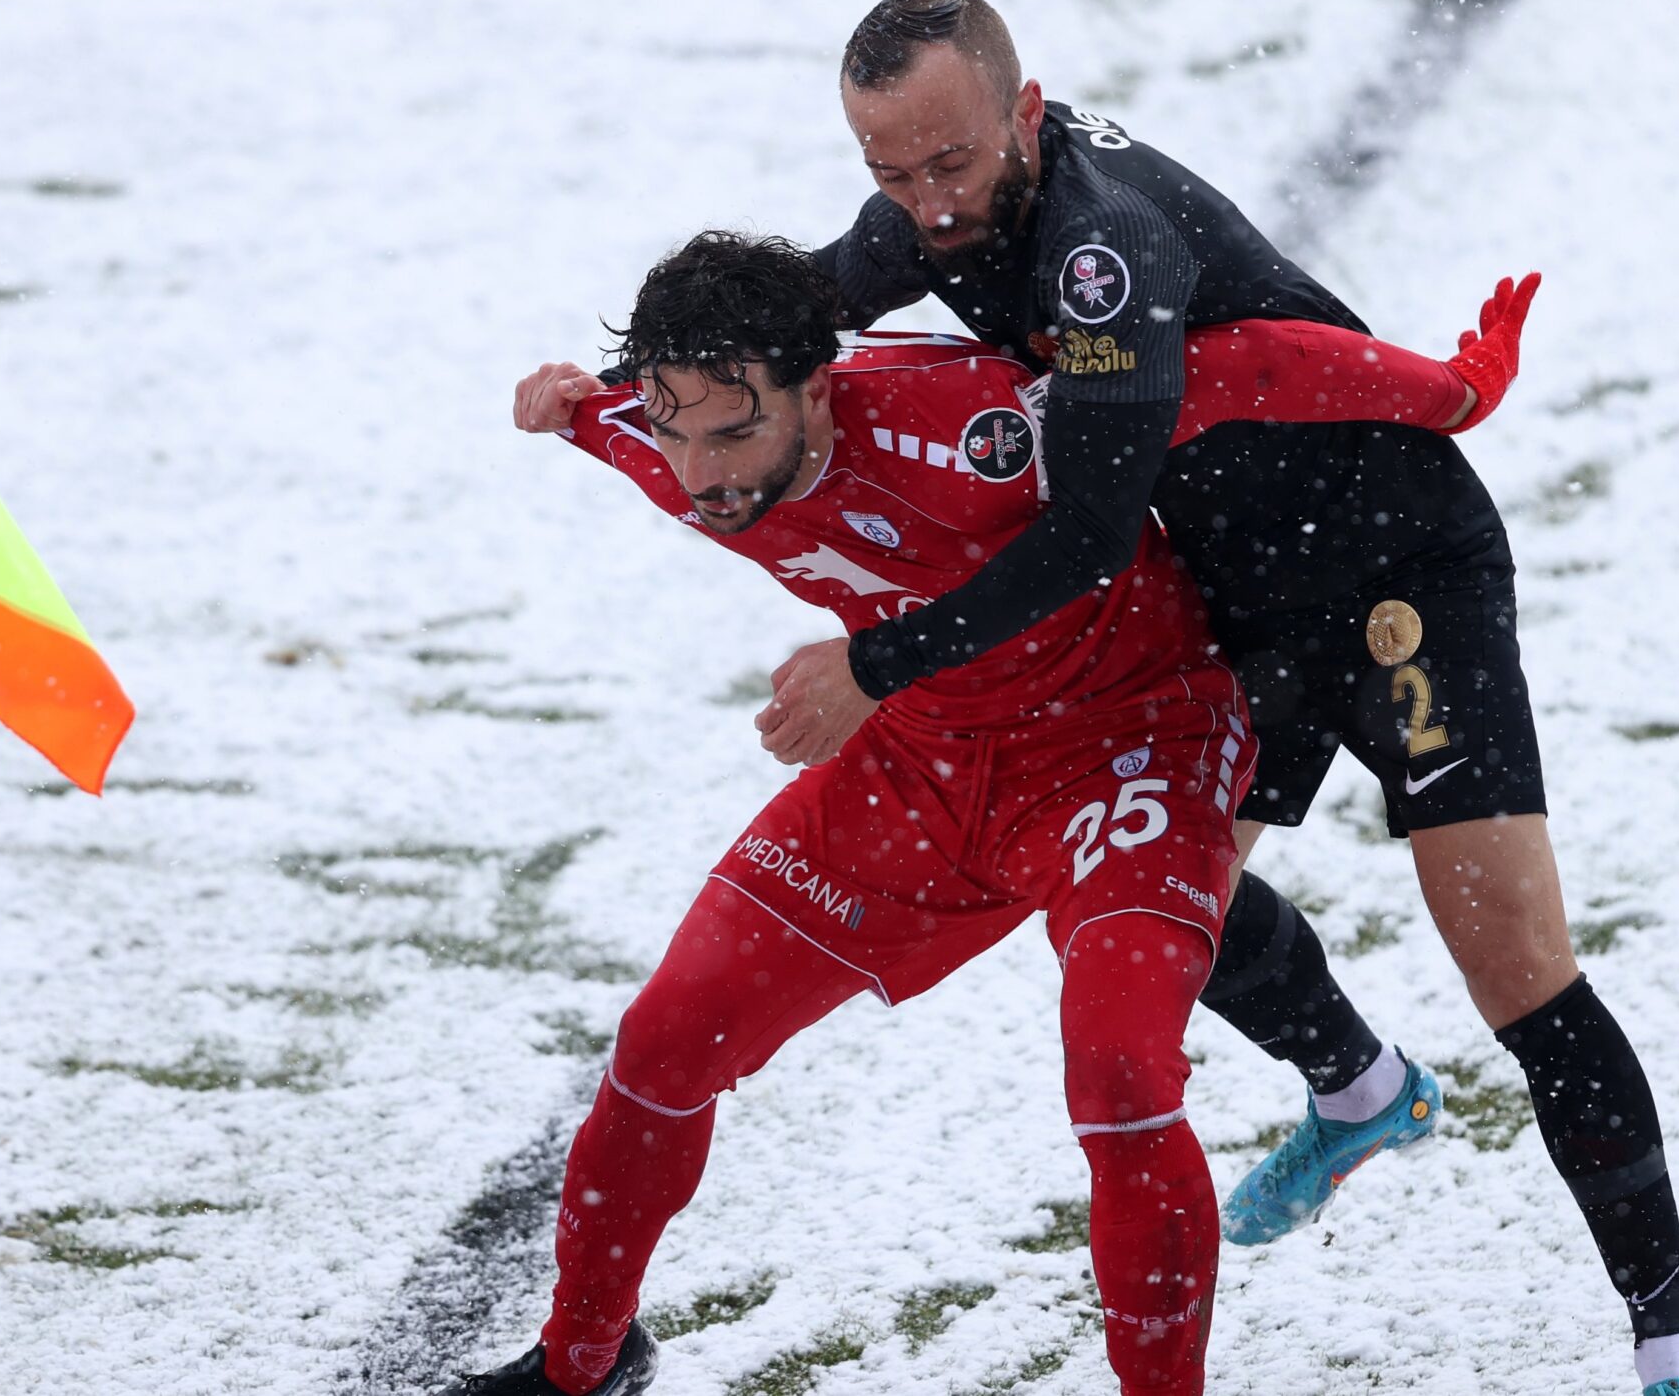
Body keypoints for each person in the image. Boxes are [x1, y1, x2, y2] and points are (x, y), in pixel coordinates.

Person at [768, 0, 1679, 1396]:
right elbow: (787, 315)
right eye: (889, 173)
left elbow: (1087, 539)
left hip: (1396, 579)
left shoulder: (1101, 250)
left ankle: (1675, 1349)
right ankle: (1363, 1091)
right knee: (1158, 911)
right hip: (1243, 602)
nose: (925, 202)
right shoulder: (928, 205)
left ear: (1022, 114)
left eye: (949, 163)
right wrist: (632, 382)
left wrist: (878, 665)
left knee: (1513, 965)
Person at [464, 230, 1530, 1396]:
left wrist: (1455, 390)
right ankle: (581, 1368)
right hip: (921, 764)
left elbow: (1231, 367)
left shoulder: (976, 427)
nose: (704, 474)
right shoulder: (663, 431)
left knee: (1120, 1078)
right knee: (664, 1044)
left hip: (1129, 749)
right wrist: (557, 405)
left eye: (734, 433)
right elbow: (603, 408)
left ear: (815, 388)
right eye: (674, 433)